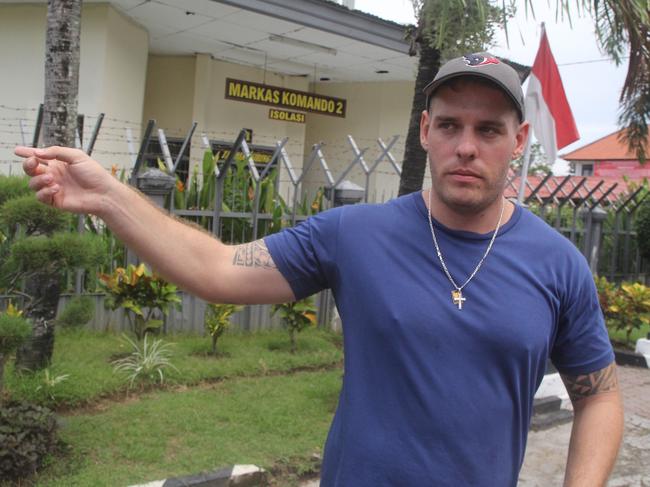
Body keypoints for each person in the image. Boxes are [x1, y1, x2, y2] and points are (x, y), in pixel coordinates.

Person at [16, 52, 623, 486]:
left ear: (518, 140)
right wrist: (108, 197)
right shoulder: (353, 234)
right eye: (450, 125)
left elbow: (599, 398)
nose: (467, 146)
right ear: (424, 132)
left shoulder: (556, 264)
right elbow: (219, 269)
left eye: (488, 130)